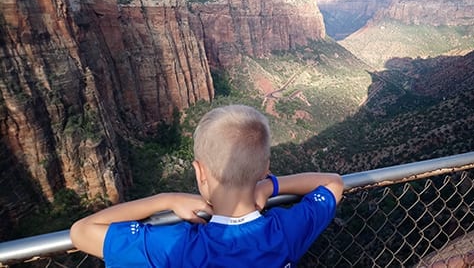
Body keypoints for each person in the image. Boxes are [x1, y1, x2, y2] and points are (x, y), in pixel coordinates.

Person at [70, 104, 344, 267]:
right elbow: (333, 182)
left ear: (200, 172)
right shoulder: (285, 231)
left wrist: (165, 199)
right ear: (264, 167)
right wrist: (268, 187)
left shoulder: (174, 246)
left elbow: (81, 231)